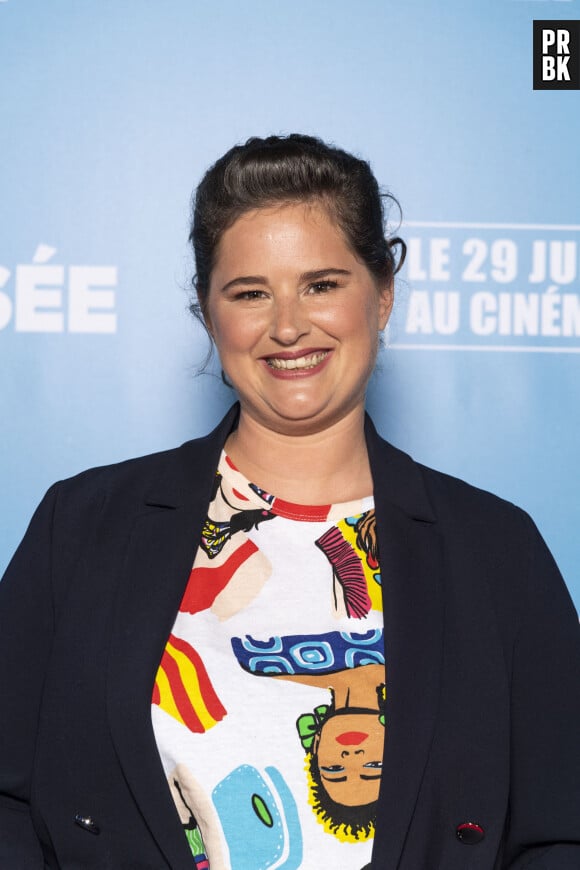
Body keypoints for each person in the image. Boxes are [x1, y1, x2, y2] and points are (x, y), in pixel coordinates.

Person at [1, 134, 579, 870]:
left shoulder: (496, 551)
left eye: (322, 284)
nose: (286, 326)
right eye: (250, 293)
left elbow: (558, 830)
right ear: (209, 314)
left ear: (384, 294)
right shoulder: (82, 526)